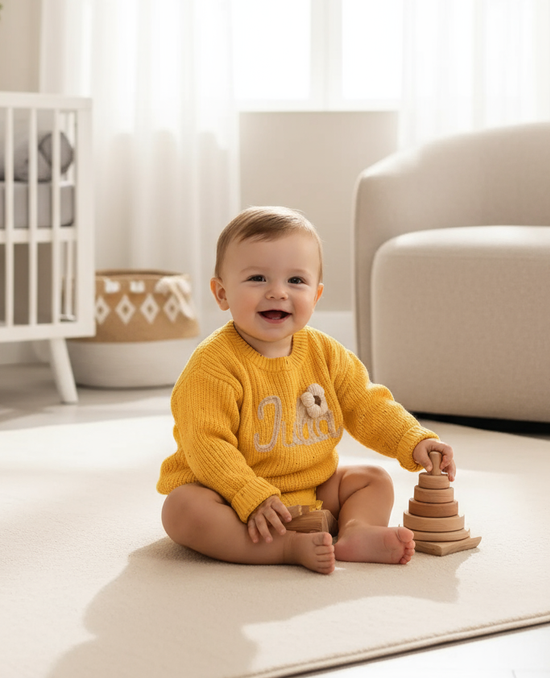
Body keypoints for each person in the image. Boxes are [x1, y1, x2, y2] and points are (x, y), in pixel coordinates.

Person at [158, 206, 455, 575]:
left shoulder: (325, 353)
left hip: (312, 490)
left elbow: (367, 405)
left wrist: (412, 441)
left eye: (295, 281)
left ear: (315, 296)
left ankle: (355, 532)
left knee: (373, 480)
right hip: (230, 496)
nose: (277, 293)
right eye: (257, 278)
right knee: (181, 509)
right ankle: (283, 547)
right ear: (222, 294)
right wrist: (248, 494)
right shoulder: (212, 365)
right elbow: (206, 445)